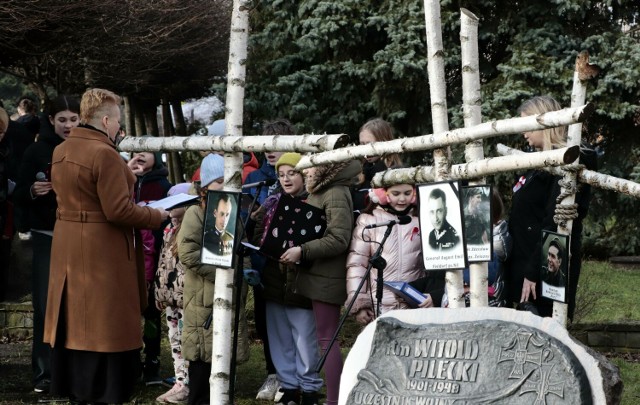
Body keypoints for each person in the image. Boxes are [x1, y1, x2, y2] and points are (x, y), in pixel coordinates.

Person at [43, 88, 168, 404]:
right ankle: (104, 390)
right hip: (102, 248)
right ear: (108, 120)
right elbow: (118, 210)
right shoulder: (104, 153)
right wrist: (158, 215)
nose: (119, 128)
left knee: (76, 320)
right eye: (118, 121)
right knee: (103, 322)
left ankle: (77, 387)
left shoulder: (63, 149)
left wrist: (127, 174)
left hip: (69, 241)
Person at [280, 158, 361, 405]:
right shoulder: (323, 190)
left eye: (310, 166)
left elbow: (338, 238)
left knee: (328, 339)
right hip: (317, 273)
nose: (306, 170)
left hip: (327, 276)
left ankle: (335, 400)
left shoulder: (335, 192)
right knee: (325, 338)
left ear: (325, 167)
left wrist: (302, 250)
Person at [507, 95, 595, 320]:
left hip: (547, 264)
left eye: (526, 125)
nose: (523, 132)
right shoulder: (535, 163)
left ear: (543, 123)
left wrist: (534, 271)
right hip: (526, 259)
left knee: (546, 329)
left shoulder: (569, 159)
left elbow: (554, 220)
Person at [14, 95, 80, 395]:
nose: (68, 125)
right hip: (47, 237)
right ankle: (43, 375)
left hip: (81, 238)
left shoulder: (88, 148)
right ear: (51, 120)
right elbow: (16, 194)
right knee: (44, 305)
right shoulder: (36, 150)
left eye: (73, 118)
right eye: (62, 119)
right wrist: (31, 190)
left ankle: (76, 372)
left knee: (78, 306)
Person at [252, 153, 323, 405]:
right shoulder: (271, 203)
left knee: (304, 339)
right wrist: (267, 242)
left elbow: (321, 241)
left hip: (301, 283)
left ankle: (310, 388)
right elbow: (258, 233)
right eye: (281, 175)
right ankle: (289, 387)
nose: (286, 179)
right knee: (279, 336)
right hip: (273, 280)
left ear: (303, 173)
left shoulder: (315, 202)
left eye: (291, 173)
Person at [244, 119, 288, 401]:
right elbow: (244, 219)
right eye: (266, 145)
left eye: (277, 144)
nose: (270, 151)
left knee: (290, 319)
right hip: (261, 262)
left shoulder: (297, 174)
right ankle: (272, 374)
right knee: (265, 320)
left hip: (289, 262)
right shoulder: (254, 179)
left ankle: (290, 376)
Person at [345, 184, 426, 322]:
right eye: (396, 194)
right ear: (382, 194)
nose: (402, 199)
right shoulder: (369, 220)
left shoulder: (422, 218)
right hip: (379, 304)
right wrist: (359, 302)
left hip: (415, 304)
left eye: (407, 193)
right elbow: (357, 264)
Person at [127, 147, 172, 385]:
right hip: (127, 260)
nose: (141, 154)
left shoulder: (164, 187)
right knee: (128, 314)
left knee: (152, 314)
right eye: (136, 150)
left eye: (146, 150)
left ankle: (152, 362)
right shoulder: (124, 181)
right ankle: (130, 362)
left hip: (155, 261)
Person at [154, 182, 191, 404]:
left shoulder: (190, 229)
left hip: (186, 299)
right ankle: (179, 381)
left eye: (174, 200)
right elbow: (162, 264)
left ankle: (189, 384)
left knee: (188, 342)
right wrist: (160, 293)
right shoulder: (168, 229)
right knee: (174, 340)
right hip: (170, 300)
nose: (168, 205)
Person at [353, 118, 403, 213]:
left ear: (384, 141)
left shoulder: (397, 174)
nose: (365, 149)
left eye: (370, 144)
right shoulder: (359, 173)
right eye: (362, 144)